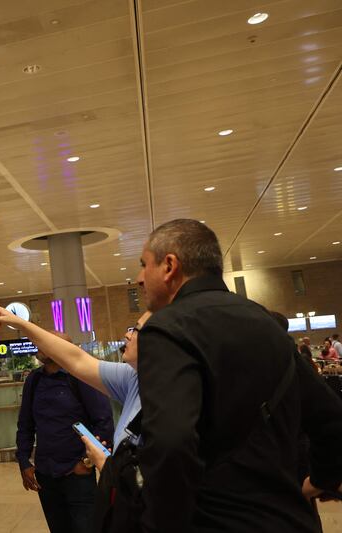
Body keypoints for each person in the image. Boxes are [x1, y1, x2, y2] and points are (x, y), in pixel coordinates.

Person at [133, 218, 342, 532]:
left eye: (143, 264)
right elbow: (331, 418)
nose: (139, 278)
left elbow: (170, 442)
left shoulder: (168, 328)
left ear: (169, 266)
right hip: (289, 519)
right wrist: (322, 479)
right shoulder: (265, 322)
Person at [0, 301, 150, 470]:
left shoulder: (168, 392)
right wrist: (20, 323)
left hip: (81, 472)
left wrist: (85, 463)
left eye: (135, 330)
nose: (127, 335)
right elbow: (77, 360)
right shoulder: (131, 377)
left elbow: (103, 420)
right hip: (49, 468)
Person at [15, 331, 114, 533]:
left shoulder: (81, 378)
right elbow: (25, 424)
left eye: (46, 342)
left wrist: (84, 463)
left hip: (76, 475)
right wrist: (24, 461)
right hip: (46, 474)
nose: (39, 345)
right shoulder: (34, 380)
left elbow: (104, 424)